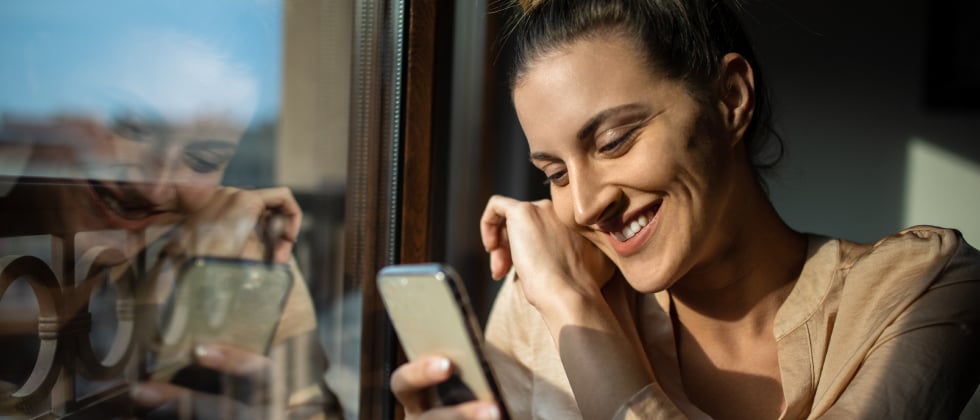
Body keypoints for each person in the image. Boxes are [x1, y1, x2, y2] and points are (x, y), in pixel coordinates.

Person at [390, 0, 980, 418]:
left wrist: (579, 312)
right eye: (556, 174)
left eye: (615, 140)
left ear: (730, 99)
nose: (588, 204)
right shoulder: (535, 309)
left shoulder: (923, 288)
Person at [0, 9, 341, 419]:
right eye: (130, 124)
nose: (155, 186)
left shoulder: (222, 246)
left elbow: (313, 407)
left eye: (202, 159)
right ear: (38, 75)